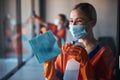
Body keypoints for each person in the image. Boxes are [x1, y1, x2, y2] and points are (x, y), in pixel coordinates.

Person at [44, 3, 115, 80]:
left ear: (92, 23)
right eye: (71, 21)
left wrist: (85, 64)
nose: (73, 25)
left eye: (79, 21)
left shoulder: (104, 52)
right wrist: (49, 65)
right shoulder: (66, 49)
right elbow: (57, 77)